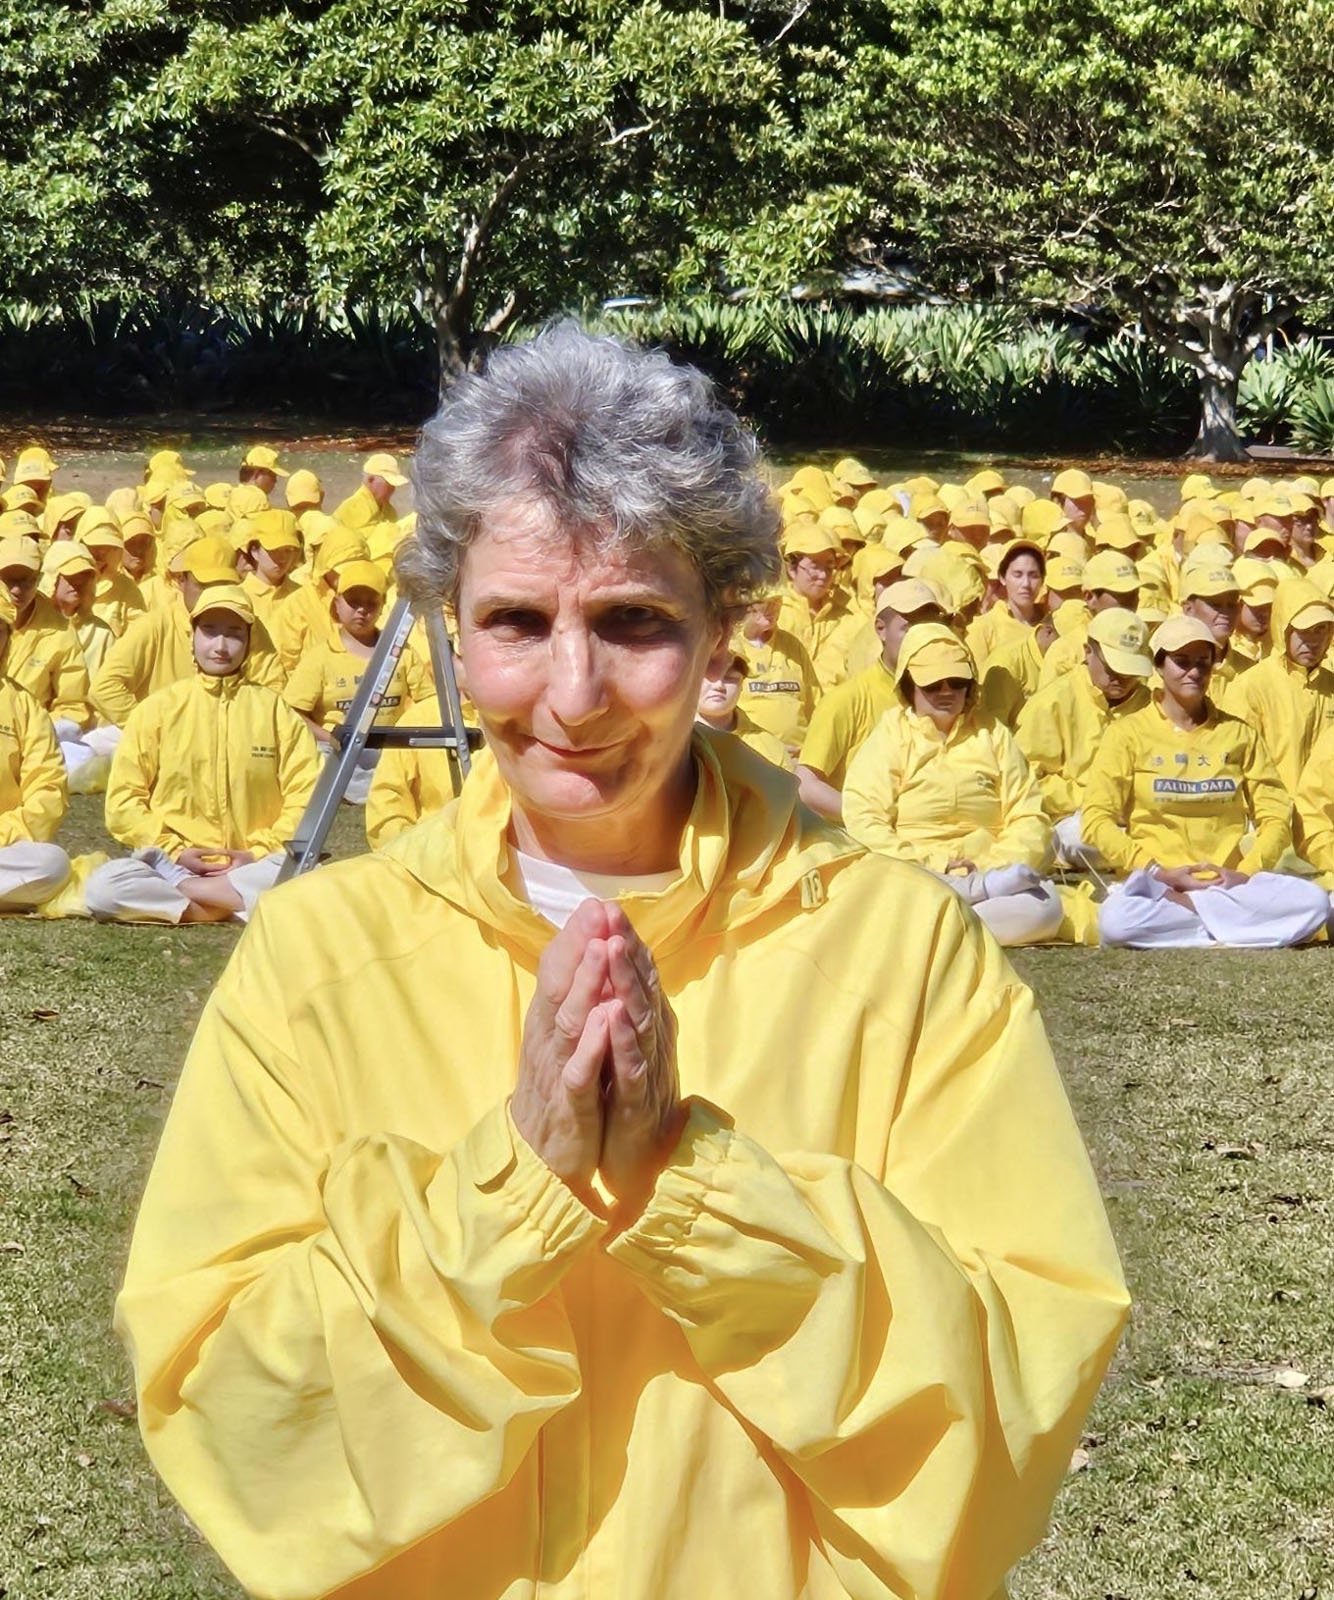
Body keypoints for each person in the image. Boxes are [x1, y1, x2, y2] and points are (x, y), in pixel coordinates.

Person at [115, 325, 1126, 1600]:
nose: (573, 693)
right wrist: (507, 1194)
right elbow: (231, 1418)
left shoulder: (901, 950)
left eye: (632, 622)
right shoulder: (317, 959)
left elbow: (1009, 1411)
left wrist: (692, 1187)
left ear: (722, 631)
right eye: (516, 622)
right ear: (450, 626)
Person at [1084, 616, 1328, 949]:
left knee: (1314, 903)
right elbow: (1096, 819)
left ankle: (1197, 918)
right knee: (1117, 922)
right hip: (1159, 886)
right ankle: (1229, 925)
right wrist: (1155, 871)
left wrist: (1246, 871)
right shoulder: (1127, 734)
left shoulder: (1238, 734)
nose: (1194, 672)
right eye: (1181, 662)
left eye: (1203, 662)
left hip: (1229, 885)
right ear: (1159, 666)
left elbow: (1274, 815)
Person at [85, 586, 319, 925]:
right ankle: (231, 901)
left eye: (234, 634)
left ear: (250, 641)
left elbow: (307, 797)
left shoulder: (276, 712)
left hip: (254, 863)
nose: (221, 646)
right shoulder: (157, 709)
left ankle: (198, 899)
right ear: (192, 636)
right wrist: (174, 850)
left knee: (312, 873)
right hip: (173, 864)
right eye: (209, 631)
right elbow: (124, 801)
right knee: (104, 887)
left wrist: (257, 852)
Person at [842, 623, 1064, 945]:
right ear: (909, 685)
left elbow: (1029, 816)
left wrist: (988, 868)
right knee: (879, 890)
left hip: (990, 877)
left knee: (1046, 909)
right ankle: (956, 920)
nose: (946, 692)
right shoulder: (889, 735)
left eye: (957, 683)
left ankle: (931, 929)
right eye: (933, 685)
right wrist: (935, 866)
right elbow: (864, 820)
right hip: (917, 874)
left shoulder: (994, 734)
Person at [91, 535, 285, 731]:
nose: (213, 595)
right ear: (181, 580)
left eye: (223, 586)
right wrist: (154, 729)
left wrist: (239, 728)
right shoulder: (155, 626)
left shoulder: (248, 625)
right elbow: (105, 687)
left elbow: (274, 687)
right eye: (204, 586)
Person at [282, 559, 431, 803]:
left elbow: (429, 702)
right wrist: (328, 738)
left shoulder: (401, 653)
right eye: (353, 602)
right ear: (337, 604)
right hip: (335, 754)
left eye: (371, 603)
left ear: (382, 607)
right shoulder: (320, 656)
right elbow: (293, 712)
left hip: (389, 751)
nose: (362, 610)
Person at [796, 576, 944, 820]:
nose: (921, 638)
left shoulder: (951, 696)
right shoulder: (847, 699)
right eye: (908, 628)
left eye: (928, 627)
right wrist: (869, 818)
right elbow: (807, 785)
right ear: (881, 629)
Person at [1016, 608, 1152, 867]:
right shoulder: (1052, 702)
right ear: (1088, 652)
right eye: (1112, 667)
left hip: (1139, 814)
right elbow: (1027, 779)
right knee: (1081, 840)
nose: (1122, 678)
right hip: (1074, 816)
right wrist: (1093, 799)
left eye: (1129, 669)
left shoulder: (1151, 705)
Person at [1221, 578, 1334, 799]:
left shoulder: (1330, 686)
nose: (1312, 640)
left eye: (1320, 629)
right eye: (1303, 630)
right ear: (1283, 628)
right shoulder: (1250, 686)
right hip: (1270, 812)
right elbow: (1233, 762)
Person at [0, 588, 71, 910]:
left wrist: (5, 832)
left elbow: (48, 789)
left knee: (52, 864)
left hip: (5, 846)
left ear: (8, 638)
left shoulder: (25, 706)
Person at [731, 589, 816, 751]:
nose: (772, 608)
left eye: (777, 600)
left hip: (797, 755)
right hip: (750, 755)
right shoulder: (731, 645)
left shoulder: (792, 645)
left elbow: (814, 705)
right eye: (764, 601)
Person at [694, 644, 792, 767]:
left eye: (730, 678)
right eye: (709, 676)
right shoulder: (672, 739)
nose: (719, 685)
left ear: (742, 685)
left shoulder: (769, 747)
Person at [966, 538, 1046, 668]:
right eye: (1017, 575)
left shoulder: (1053, 624)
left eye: (1033, 576)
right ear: (1003, 578)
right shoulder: (982, 629)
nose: (1026, 584)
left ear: (1042, 580)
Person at [334, 451, 409, 530]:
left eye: (393, 484)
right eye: (388, 483)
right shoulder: (353, 508)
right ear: (370, 479)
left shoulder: (390, 512)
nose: (392, 489)